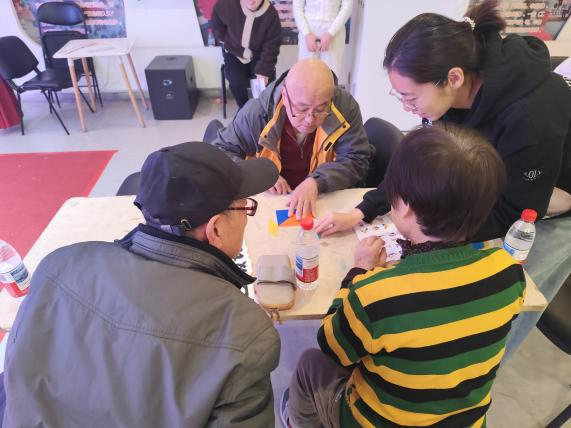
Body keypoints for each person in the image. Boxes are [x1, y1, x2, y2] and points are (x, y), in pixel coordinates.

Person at [315, 0, 571, 359]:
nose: (406, 108)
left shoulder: (530, 115)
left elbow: (517, 211)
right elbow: (416, 168)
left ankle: (473, 372)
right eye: (399, 96)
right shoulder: (452, 97)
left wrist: (427, 242)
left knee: (503, 309)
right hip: (491, 185)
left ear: (453, 78)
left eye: (410, 97)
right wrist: (362, 211)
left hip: (550, 204)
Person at [2, 143, 281, 427]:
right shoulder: (245, 332)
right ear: (216, 229)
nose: (246, 218)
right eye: (245, 208)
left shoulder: (57, 265)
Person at [281, 124, 526, 428]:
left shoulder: (375, 294)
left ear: (405, 207)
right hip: (467, 422)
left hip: (378, 422)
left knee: (310, 363)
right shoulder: (510, 272)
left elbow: (333, 347)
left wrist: (358, 272)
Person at [210, 58, 373, 220]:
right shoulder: (257, 113)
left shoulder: (345, 107)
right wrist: (259, 175)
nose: (310, 119)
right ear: (284, 96)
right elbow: (219, 152)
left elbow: (357, 159)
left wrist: (317, 181)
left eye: (320, 109)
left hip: (323, 196)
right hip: (273, 200)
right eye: (302, 109)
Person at [211, 0, 282, 108]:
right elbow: (216, 17)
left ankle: (260, 108)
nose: (251, 1)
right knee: (236, 81)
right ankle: (243, 107)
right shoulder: (228, 4)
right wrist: (224, 38)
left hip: (258, 56)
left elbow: (272, 45)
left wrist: (263, 71)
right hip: (234, 54)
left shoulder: (271, 14)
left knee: (262, 83)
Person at [292, 0, 352, 79]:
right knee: (306, 76)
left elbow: (347, 8)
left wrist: (330, 34)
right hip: (307, 35)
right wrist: (307, 34)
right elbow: (297, 7)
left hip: (334, 35)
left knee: (330, 77)